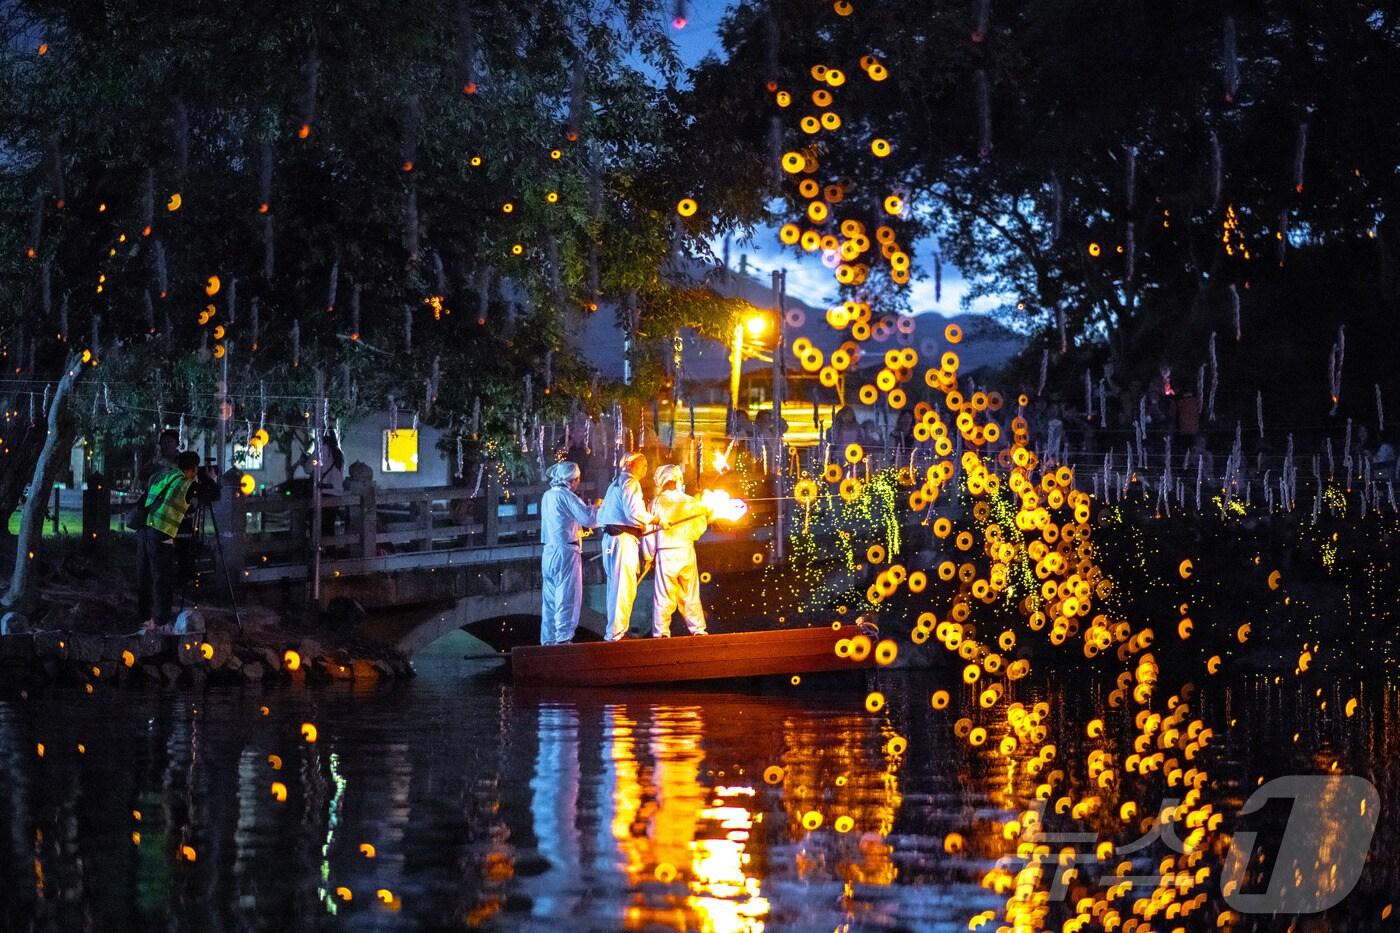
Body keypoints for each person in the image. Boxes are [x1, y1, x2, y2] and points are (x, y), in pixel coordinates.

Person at [136, 451, 201, 631]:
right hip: (161, 533)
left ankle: (145, 620)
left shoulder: (162, 475)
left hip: (144, 529)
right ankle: (161, 623)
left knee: (145, 577)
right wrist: (210, 478)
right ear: (193, 468)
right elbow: (209, 494)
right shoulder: (186, 484)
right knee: (162, 579)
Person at [596, 452, 657, 641]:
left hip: (611, 540)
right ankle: (616, 634)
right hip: (622, 540)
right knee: (622, 587)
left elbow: (602, 515)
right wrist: (653, 518)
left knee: (616, 587)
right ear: (631, 465)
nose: (646, 468)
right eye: (643, 464)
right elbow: (635, 513)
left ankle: (614, 631)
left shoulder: (615, 484)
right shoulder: (630, 483)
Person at [538, 461, 598, 646]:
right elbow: (589, 519)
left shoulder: (547, 495)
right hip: (566, 551)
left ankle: (548, 641)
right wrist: (596, 507)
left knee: (549, 600)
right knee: (567, 596)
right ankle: (563, 639)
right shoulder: (567, 496)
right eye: (577, 480)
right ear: (573, 480)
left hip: (548, 550)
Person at [645, 463, 708, 638]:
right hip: (686, 551)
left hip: (666, 554)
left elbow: (649, 532)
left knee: (664, 594)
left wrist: (648, 555)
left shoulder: (656, 503)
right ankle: (698, 630)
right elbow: (700, 527)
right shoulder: (691, 501)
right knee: (691, 592)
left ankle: (661, 632)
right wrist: (688, 537)